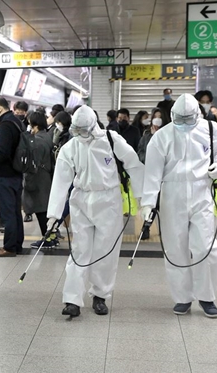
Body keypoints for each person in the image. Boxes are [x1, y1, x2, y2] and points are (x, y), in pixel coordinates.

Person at [47, 105, 144, 318]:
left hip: (108, 200)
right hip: (81, 199)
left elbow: (133, 165)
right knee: (80, 250)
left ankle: (100, 295)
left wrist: (143, 199)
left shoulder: (111, 140)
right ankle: (72, 299)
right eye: (76, 130)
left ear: (93, 126)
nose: (79, 134)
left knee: (105, 250)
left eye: (83, 130)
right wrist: (53, 214)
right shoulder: (70, 147)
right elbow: (61, 181)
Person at [142, 93, 217, 318]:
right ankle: (182, 297)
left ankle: (207, 296)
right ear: (172, 116)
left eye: (188, 119)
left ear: (198, 115)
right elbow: (152, 173)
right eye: (179, 119)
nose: (184, 124)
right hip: (172, 193)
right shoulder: (162, 137)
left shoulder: (210, 129)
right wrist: (149, 203)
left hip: (202, 192)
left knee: (207, 247)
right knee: (175, 248)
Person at [0, 96, 24, 257]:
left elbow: (3, 152)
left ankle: (9, 247)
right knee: (15, 212)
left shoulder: (6, 125)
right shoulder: (16, 122)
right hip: (16, 173)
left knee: (8, 212)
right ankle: (17, 244)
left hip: (6, 175)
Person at [23, 112, 56, 249]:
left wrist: (28, 182)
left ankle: (48, 239)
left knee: (41, 210)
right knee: (44, 208)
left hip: (38, 178)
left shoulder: (36, 141)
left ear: (34, 125)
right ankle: (51, 236)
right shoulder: (47, 136)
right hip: (46, 176)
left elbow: (33, 164)